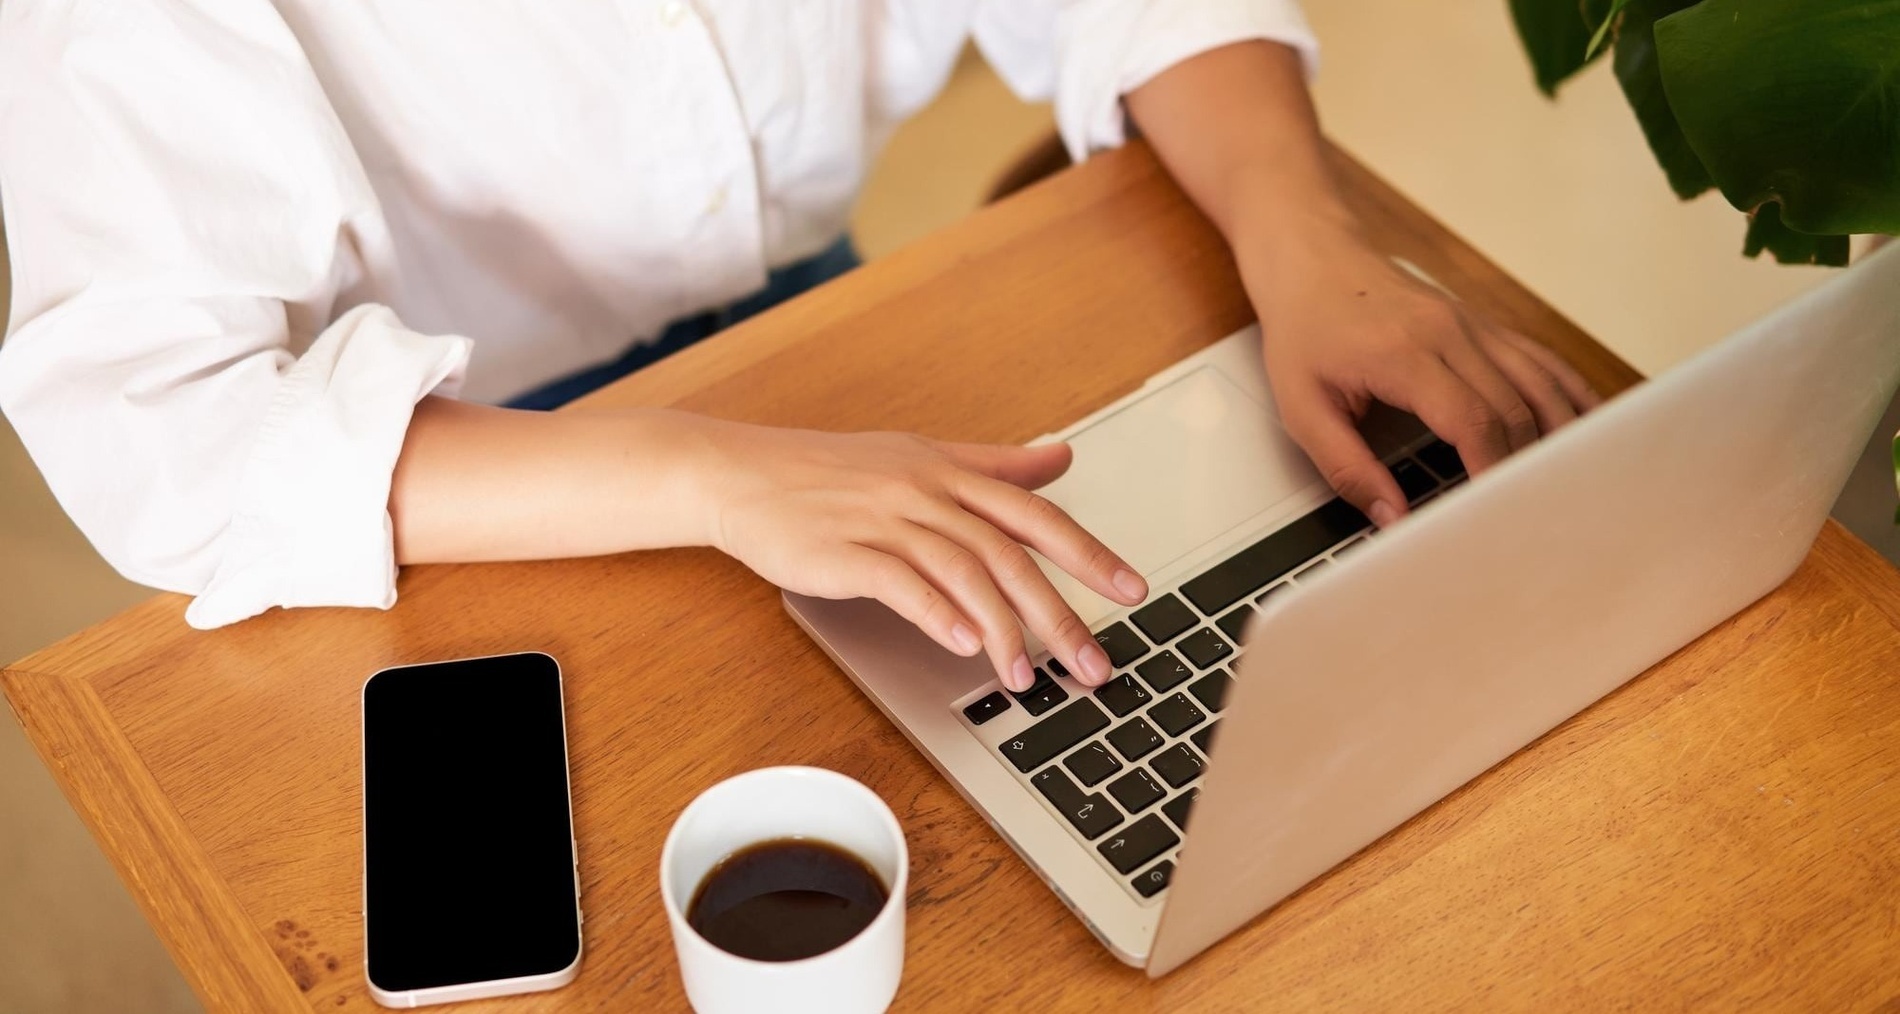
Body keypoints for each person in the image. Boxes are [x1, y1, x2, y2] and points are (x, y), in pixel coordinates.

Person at [0, 2, 1598, 694]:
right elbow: (176, 442)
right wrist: (709, 473)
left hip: (809, 321)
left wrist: (1307, 236)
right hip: (459, 457)